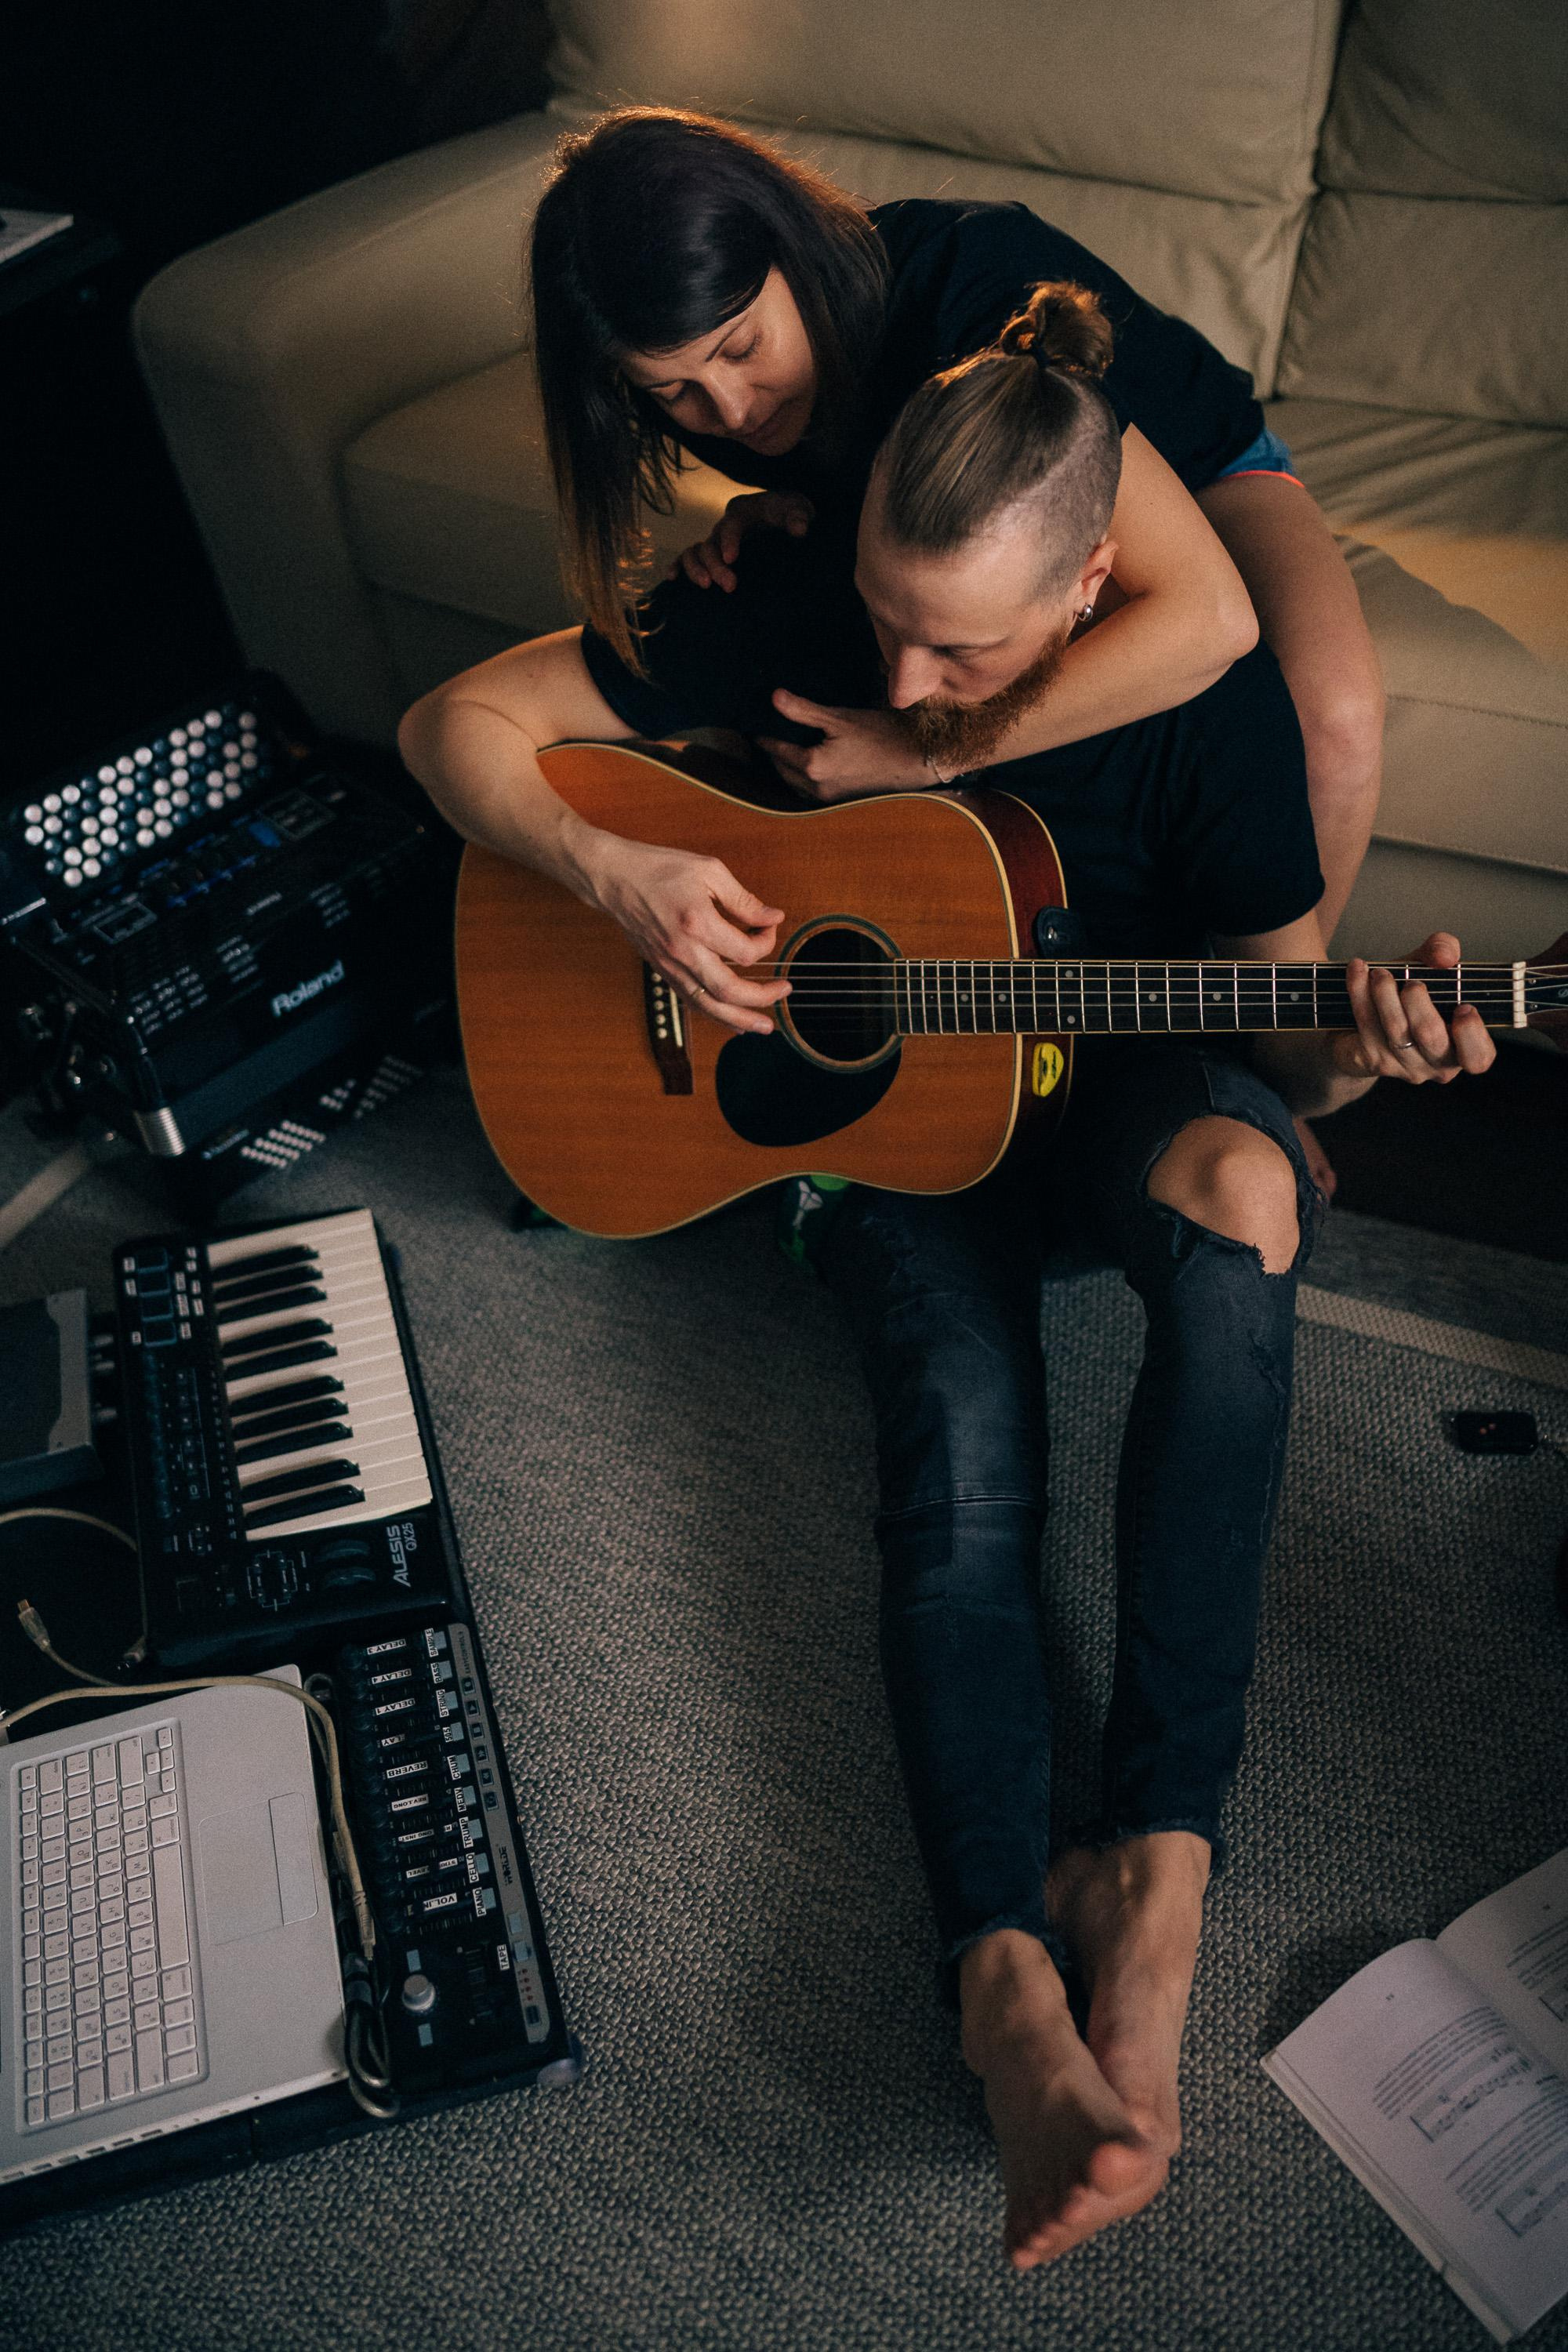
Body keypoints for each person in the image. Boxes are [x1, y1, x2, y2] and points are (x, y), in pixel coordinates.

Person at [398, 285, 1494, 2270]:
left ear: (1089, 586)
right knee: (963, 1431)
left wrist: (1364, 1048)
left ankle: (1154, 1871)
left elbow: (1273, 1037)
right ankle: (996, 1966)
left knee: (1250, 1200)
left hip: (1108, 1093)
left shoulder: (1203, 709)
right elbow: (455, 722)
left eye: (961, 642)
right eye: (887, 617)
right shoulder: (792, 586)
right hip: (875, 1133)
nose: (900, 674)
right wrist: (620, 870)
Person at [529, 107, 1384, 960]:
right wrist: (784, 510)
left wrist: (920, 756)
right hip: (973, 520)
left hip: (1203, 468)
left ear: (794, 247)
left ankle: (1291, 1066)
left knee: (1331, 714)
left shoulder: (970, 286)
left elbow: (1208, 617)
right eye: (671, 392)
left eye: (743, 346)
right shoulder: (697, 384)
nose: (728, 411)